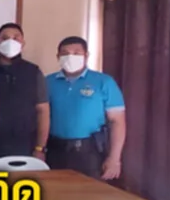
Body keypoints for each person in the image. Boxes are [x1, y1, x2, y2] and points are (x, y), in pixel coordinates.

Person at [46, 36, 126, 180]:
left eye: (76, 53)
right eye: (65, 53)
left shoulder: (104, 82)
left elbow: (117, 121)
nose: (70, 57)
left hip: (89, 152)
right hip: (54, 150)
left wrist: (114, 158)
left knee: (88, 192)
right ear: (58, 57)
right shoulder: (48, 82)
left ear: (86, 56)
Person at [0, 23, 50, 163]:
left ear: (23, 43)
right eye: (5, 38)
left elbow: (43, 111)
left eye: (16, 38)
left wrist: (40, 148)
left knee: (22, 178)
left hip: (25, 146)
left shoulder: (33, 72)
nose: (10, 42)